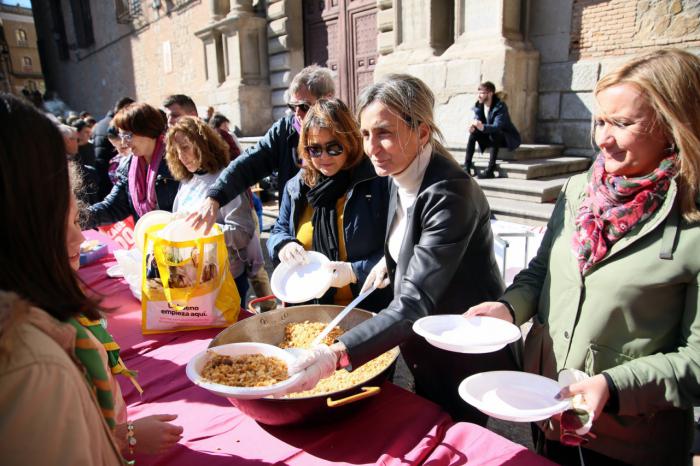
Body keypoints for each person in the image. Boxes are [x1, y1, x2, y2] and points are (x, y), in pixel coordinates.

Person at [466, 48, 700, 466]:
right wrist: (507, 308)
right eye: (599, 121)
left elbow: (697, 360)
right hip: (550, 411)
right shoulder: (578, 191)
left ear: (673, 126)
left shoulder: (693, 221)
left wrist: (615, 385)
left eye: (622, 124)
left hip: (631, 441)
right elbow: (541, 274)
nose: (601, 139)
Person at [287, 75, 518, 424]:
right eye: (365, 135)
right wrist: (388, 262)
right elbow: (410, 238)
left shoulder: (449, 194)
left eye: (384, 133)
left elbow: (414, 302)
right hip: (425, 345)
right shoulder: (400, 172)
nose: (371, 148)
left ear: (422, 132)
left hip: (460, 352)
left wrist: (334, 354)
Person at [0, 94, 182, 465]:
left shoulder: (169, 163)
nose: (80, 238)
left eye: (128, 135)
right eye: (65, 220)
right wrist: (126, 438)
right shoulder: (33, 365)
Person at [267, 98, 391, 310]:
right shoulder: (296, 186)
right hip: (309, 309)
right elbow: (278, 228)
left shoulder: (377, 181)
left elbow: (399, 249)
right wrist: (283, 244)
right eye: (314, 149)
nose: (323, 157)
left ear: (350, 142)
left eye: (333, 148)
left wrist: (354, 271)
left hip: (366, 308)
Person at [187, 64, 335, 232]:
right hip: (294, 234)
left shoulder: (347, 133)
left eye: (305, 106)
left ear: (328, 99)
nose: (298, 114)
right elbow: (248, 164)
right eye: (293, 107)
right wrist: (215, 197)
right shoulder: (285, 130)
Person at [165, 116, 264, 307]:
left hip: (226, 280)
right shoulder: (186, 182)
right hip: (195, 281)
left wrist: (205, 229)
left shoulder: (226, 181)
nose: (182, 156)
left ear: (204, 144)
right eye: (176, 151)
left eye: (185, 147)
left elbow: (243, 233)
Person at [85, 102, 178, 228]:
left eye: (128, 136)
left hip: (179, 239)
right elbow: (113, 207)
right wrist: (77, 218)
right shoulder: (128, 166)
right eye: (122, 136)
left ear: (147, 129)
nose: (123, 143)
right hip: (149, 240)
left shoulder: (177, 159)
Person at [464, 81, 521, 179]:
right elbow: (477, 118)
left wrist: (483, 127)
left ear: (490, 93)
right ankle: (467, 167)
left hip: (506, 139)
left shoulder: (500, 106)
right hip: (489, 136)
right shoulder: (479, 105)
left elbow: (497, 126)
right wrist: (474, 127)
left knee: (496, 132)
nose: (479, 96)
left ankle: (490, 170)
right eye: (478, 93)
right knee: (473, 134)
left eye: (481, 93)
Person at [93, 97, 135, 198]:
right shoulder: (117, 164)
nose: (121, 152)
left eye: (123, 148)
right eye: (116, 148)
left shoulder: (100, 125)